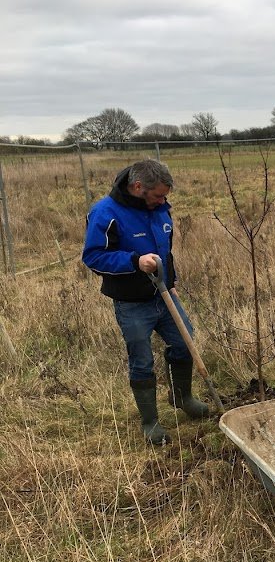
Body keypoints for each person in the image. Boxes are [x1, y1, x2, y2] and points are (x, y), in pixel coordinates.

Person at [82, 159, 209, 446]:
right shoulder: (105, 213)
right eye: (157, 196)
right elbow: (93, 257)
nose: (163, 201)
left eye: (165, 196)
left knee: (184, 340)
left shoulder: (159, 209)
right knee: (142, 360)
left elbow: (166, 250)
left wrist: (172, 281)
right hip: (131, 302)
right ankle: (150, 422)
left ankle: (182, 397)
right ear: (138, 187)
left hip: (164, 295)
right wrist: (134, 261)